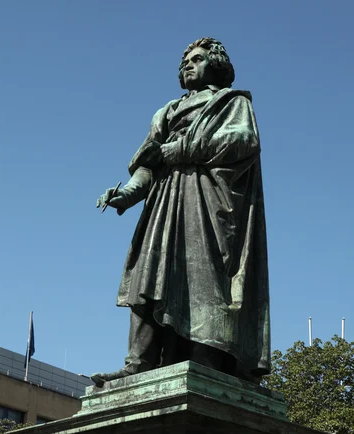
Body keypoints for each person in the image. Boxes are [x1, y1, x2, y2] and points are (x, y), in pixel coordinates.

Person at [93, 37, 270, 385]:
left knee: (205, 280)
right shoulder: (167, 112)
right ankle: (138, 362)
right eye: (184, 61)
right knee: (149, 274)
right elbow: (146, 165)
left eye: (197, 59)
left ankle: (207, 359)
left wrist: (179, 150)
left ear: (215, 64)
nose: (188, 64)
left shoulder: (232, 104)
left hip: (207, 204)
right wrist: (126, 194)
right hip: (165, 204)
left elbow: (242, 141)